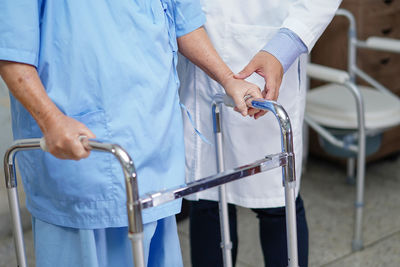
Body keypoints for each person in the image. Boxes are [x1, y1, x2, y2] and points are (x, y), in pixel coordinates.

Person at [0, 0, 263, 266]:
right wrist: (52, 120)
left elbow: (184, 23)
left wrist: (229, 79)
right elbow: (12, 52)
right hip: (84, 157)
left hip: (154, 149)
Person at [178, 1, 342, 266]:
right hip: (198, 56)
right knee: (207, 197)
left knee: (277, 200)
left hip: (265, 52)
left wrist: (284, 46)